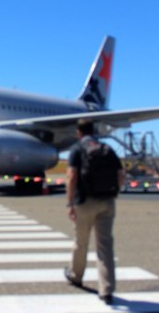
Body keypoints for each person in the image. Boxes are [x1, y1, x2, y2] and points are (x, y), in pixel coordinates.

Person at [65, 119, 125, 305]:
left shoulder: (77, 149)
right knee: (105, 246)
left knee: (81, 241)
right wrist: (113, 193)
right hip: (107, 202)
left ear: (78, 132)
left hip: (85, 202)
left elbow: (72, 177)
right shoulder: (107, 148)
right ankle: (106, 289)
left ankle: (76, 276)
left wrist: (70, 203)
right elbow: (121, 175)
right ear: (94, 131)